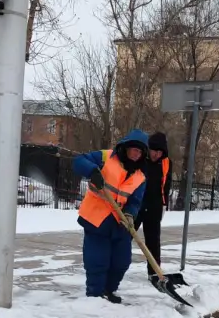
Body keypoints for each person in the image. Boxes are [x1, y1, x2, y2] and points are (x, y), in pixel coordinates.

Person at [73, 129, 149, 303]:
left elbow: (135, 200)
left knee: (122, 261)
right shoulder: (106, 157)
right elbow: (79, 161)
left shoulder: (140, 176)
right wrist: (92, 171)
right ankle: (95, 294)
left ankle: (109, 290)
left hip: (120, 222)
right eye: (134, 149)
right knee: (98, 260)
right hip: (96, 218)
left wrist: (130, 214)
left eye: (140, 152)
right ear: (126, 147)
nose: (137, 154)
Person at [135, 131, 173, 284]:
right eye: (154, 151)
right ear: (148, 148)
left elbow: (166, 185)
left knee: (153, 242)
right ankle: (113, 267)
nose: (157, 154)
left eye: (160, 152)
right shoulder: (140, 159)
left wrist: (164, 205)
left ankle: (154, 273)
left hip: (154, 206)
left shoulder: (166, 162)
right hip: (136, 205)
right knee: (124, 238)